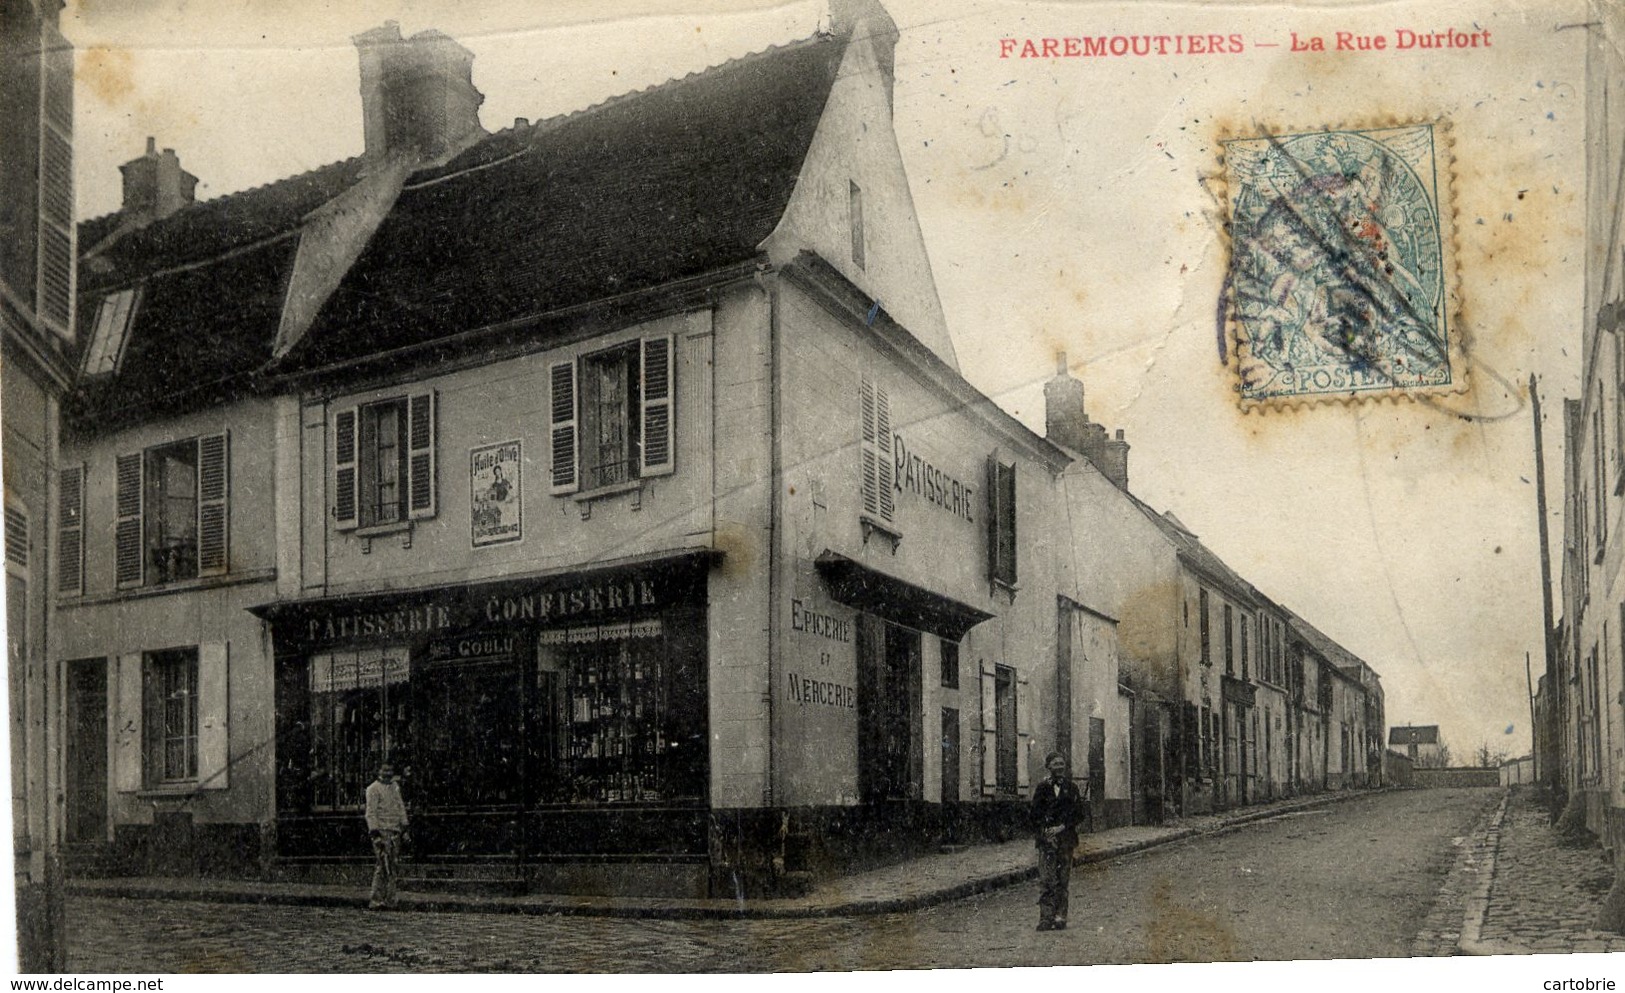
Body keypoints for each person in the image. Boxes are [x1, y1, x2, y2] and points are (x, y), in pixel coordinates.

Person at [1031, 751, 1085, 931]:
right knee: (1047, 880)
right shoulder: (1042, 788)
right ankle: (1046, 918)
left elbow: (1079, 814)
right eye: (1055, 764)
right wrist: (1045, 832)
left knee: (1063, 880)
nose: (1060, 767)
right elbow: (1034, 815)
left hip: (1066, 840)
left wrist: (1062, 827)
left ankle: (1061, 916)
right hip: (1047, 841)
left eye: (1062, 763)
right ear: (1049, 767)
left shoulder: (1072, 788)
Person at [365, 762, 409, 909]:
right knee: (382, 865)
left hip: (395, 830)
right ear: (379, 771)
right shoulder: (373, 789)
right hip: (382, 830)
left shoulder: (395, 788)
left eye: (390, 770)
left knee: (393, 865)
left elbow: (400, 806)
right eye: (384, 770)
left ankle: (390, 899)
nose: (387, 773)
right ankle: (376, 899)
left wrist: (404, 826)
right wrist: (375, 833)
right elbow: (371, 812)